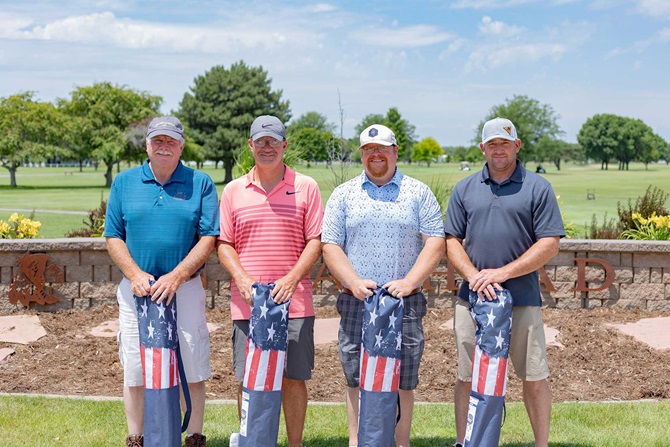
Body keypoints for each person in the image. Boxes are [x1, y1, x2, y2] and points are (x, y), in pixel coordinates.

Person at [444, 117, 565, 447]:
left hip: (523, 298)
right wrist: (473, 277)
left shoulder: (537, 187)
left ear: (517, 145)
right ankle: (464, 441)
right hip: (473, 301)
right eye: (492, 144)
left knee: (535, 377)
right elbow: (452, 239)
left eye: (505, 143)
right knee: (468, 377)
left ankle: (541, 444)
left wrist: (503, 273)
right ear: (483, 148)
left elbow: (549, 243)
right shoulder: (465, 188)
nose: (499, 149)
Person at [321, 124, 445, 447]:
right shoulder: (344, 194)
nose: (375, 154)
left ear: (395, 151)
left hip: (403, 301)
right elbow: (330, 245)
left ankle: (400, 442)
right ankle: (356, 440)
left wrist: (409, 281)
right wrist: (351, 280)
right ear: (362, 154)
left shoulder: (417, 192)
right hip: (356, 300)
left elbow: (435, 242)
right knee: (356, 374)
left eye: (382, 148)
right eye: (368, 149)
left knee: (403, 376)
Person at [104, 116, 219, 447]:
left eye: (171, 141)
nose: (164, 146)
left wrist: (178, 275)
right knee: (136, 367)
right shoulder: (124, 183)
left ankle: (194, 435)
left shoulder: (200, 183)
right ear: (147, 145)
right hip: (135, 291)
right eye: (158, 141)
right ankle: (136, 437)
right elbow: (113, 236)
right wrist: (135, 274)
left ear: (182, 145)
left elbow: (208, 237)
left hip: (184, 289)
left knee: (192, 362)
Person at [217, 115, 324, 447]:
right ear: (250, 145)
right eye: (260, 141)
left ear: (284, 146)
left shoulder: (306, 186)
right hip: (247, 303)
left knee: (293, 379)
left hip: (296, 302)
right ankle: (253, 440)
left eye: (273, 141)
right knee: (249, 378)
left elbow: (315, 241)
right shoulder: (234, 191)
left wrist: (292, 279)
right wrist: (242, 278)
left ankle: (294, 444)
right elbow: (224, 244)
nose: (267, 147)